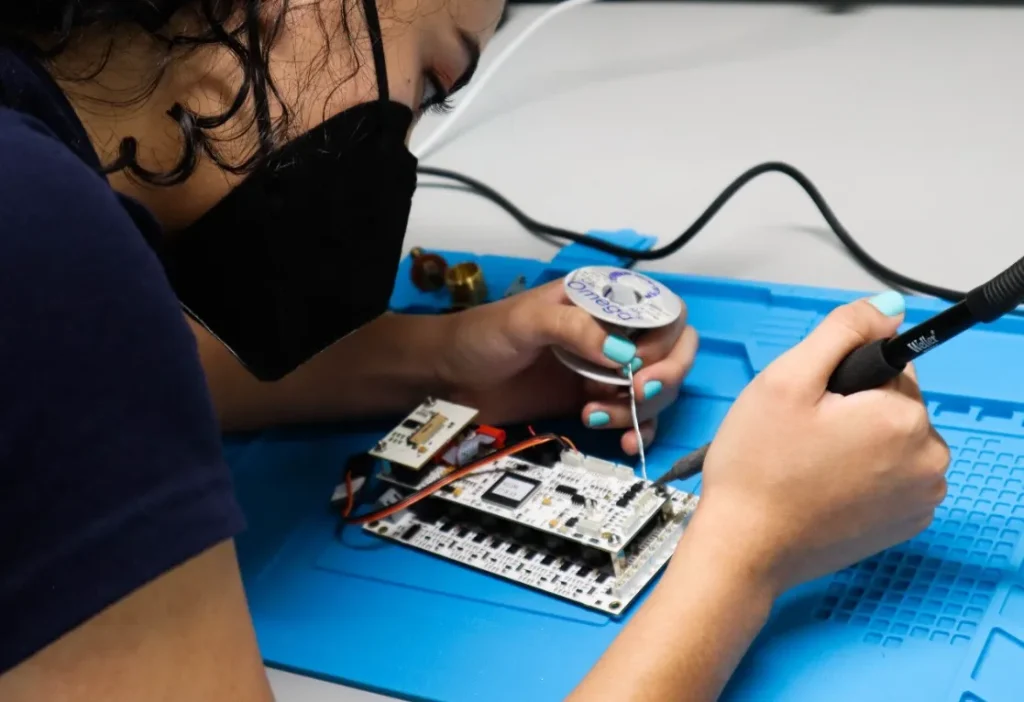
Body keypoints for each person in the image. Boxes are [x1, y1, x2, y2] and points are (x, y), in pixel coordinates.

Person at [0, 2, 949, 701]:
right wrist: (748, 551)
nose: (404, 138)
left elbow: (65, 405)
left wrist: (444, 358)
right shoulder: (40, 241)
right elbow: (69, 330)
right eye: (431, 80)